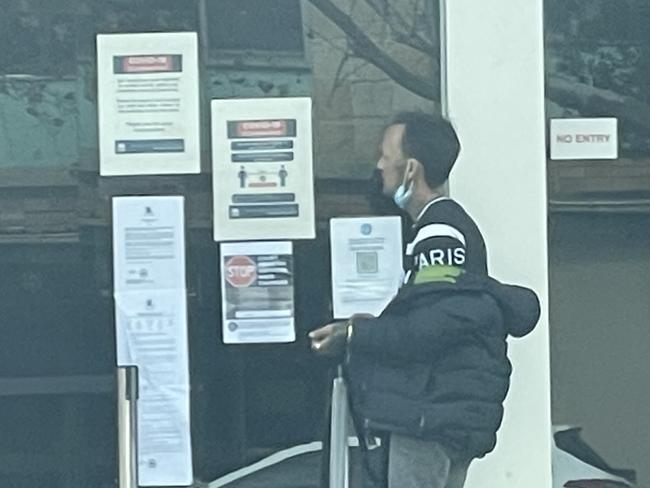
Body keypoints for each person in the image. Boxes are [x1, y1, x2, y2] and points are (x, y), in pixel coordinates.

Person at [309, 112, 540, 488]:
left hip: (428, 414)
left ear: (411, 169)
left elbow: (440, 324)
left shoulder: (439, 232)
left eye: (386, 156)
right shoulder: (439, 227)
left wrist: (355, 335)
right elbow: (440, 313)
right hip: (443, 411)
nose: (379, 166)